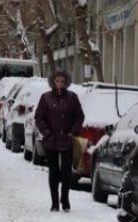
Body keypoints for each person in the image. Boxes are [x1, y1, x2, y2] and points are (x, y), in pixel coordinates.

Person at [34, 69, 85, 212]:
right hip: (51, 140)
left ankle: (65, 199)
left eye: (62, 81)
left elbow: (79, 116)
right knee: (54, 171)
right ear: (53, 82)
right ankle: (54, 202)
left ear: (66, 82)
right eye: (57, 81)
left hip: (67, 140)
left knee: (66, 172)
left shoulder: (72, 98)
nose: (60, 84)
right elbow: (39, 117)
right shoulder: (46, 98)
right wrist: (47, 133)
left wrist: (72, 133)